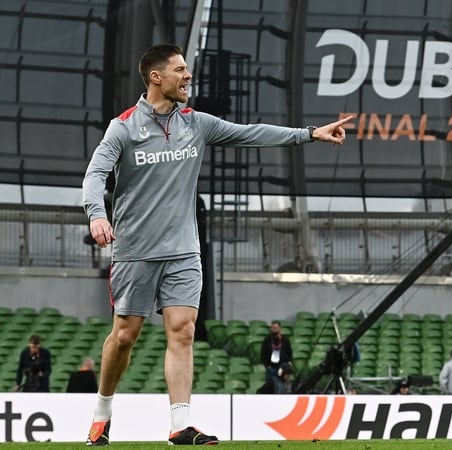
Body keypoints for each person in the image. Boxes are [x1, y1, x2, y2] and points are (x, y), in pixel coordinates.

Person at [81, 43, 353, 446]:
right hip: (135, 251)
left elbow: (251, 134)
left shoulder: (197, 123)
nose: (188, 76)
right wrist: (97, 214)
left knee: (183, 331)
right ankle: (102, 415)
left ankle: (180, 425)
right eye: (179, 70)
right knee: (124, 336)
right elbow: (94, 175)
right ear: (156, 77)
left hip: (184, 250)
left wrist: (310, 134)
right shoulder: (123, 127)